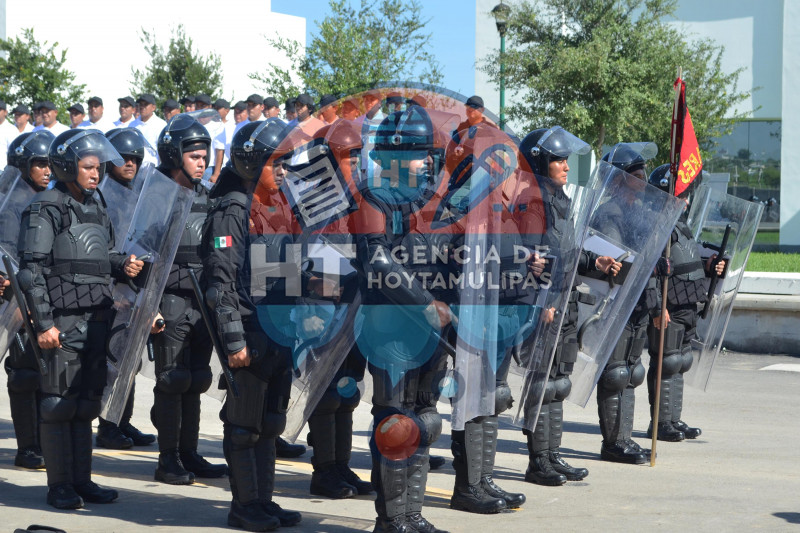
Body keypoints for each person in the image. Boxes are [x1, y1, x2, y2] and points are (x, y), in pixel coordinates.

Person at [16, 129, 144, 509]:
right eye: (88, 167)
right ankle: (60, 486)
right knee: (58, 404)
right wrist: (43, 324)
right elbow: (30, 272)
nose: (97, 173)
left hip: (97, 317)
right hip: (62, 320)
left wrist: (124, 265)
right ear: (68, 166)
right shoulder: (45, 207)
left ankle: (82, 481)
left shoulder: (96, 204)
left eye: (98, 166)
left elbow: (100, 256)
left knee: (87, 403)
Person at [203, 118, 302, 531]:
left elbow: (285, 274)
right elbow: (219, 283)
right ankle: (244, 506)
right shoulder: (232, 210)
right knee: (244, 426)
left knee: (270, 425)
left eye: (285, 163)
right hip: (248, 332)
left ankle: (262, 500)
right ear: (249, 162)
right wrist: (232, 340)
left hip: (277, 332)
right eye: (274, 162)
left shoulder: (274, 209)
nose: (282, 171)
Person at [354, 106, 450, 533]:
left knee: (425, 420)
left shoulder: (429, 201)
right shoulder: (374, 199)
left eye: (427, 151)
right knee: (395, 424)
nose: (426, 158)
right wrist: (424, 303)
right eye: (417, 151)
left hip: (430, 333)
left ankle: (412, 514)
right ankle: (392, 521)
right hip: (391, 329)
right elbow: (377, 260)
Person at [517, 126, 617, 485]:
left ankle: (552, 455)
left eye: (565, 159)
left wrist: (596, 263)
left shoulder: (562, 201)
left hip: (567, 300)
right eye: (558, 159)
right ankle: (537, 461)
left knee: (559, 382)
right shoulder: (531, 203)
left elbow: (568, 252)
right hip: (545, 304)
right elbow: (531, 259)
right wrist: (541, 302)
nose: (564, 165)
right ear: (540, 162)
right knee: (542, 382)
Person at [150, 116, 227, 485]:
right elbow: (138, 253)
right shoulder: (156, 195)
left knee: (196, 379)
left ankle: (189, 453)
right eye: (194, 156)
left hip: (202, 301)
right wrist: (148, 306)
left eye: (204, 156)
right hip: (171, 299)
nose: (202, 162)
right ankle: (168, 460)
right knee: (172, 379)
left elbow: (219, 243)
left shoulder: (208, 195)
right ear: (174, 155)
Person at [593, 143, 663, 464]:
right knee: (616, 373)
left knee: (633, 371)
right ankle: (613, 443)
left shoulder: (641, 214)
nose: (644, 179)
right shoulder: (610, 212)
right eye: (637, 174)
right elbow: (618, 258)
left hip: (640, 302)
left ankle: (626, 438)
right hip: (616, 302)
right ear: (619, 180)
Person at [645, 165, 722, 442]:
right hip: (670, 304)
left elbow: (685, 261)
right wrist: (657, 307)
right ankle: (660, 423)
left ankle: (673, 418)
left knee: (681, 362)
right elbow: (650, 270)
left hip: (689, 302)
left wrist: (710, 265)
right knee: (666, 362)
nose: (687, 200)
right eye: (681, 194)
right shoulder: (658, 225)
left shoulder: (681, 226)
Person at [92, 127, 157, 449]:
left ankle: (122, 419)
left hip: (135, 286)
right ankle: (107, 425)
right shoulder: (101, 195)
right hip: (111, 288)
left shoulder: (142, 192)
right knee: (113, 360)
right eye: (123, 158)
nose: (130, 163)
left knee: (130, 359)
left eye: (135, 158)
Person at [2, 130, 54, 471]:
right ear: (24, 165)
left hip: (45, 296)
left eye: (51, 163)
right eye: (39, 164)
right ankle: (28, 447)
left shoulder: (47, 198)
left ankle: (44, 442)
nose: (47, 170)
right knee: (23, 375)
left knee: (43, 374)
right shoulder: (9, 202)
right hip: (15, 300)